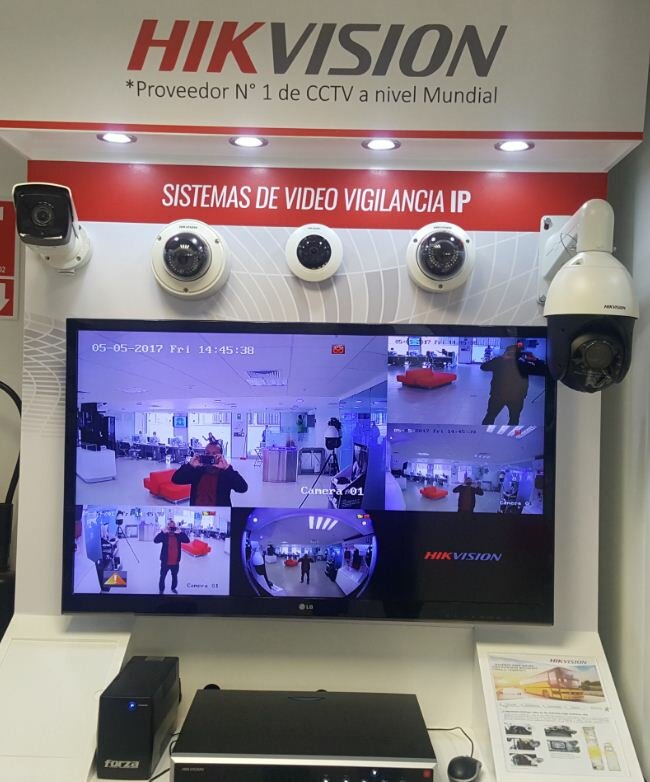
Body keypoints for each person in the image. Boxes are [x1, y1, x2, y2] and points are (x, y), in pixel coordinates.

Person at [480, 344, 545, 425]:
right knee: (491, 417)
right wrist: (501, 358)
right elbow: (483, 367)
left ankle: (505, 433)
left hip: (515, 397)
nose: (511, 355)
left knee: (513, 419)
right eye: (509, 353)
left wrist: (535, 359)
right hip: (500, 396)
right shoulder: (499, 362)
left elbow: (543, 371)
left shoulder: (522, 364)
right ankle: (485, 432)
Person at [171, 441, 248, 506]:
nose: (210, 456)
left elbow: (242, 488)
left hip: (219, 511)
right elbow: (176, 479)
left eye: (214, 454)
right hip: (198, 511)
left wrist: (227, 468)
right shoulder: (197, 470)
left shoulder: (225, 472)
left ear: (221, 456)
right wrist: (190, 465)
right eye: (207, 453)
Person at [154, 520, 190, 595]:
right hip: (165, 562)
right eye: (170, 526)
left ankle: (173, 588)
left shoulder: (178, 535)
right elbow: (155, 540)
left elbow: (187, 540)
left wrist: (180, 532)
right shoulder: (165, 535)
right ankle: (161, 590)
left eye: (173, 526)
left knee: (174, 576)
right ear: (167, 527)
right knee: (162, 576)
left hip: (175, 562)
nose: (171, 528)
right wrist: (163, 532)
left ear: (175, 527)